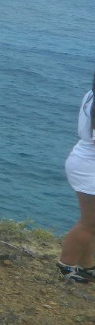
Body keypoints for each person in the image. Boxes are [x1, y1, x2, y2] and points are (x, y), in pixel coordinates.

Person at [57, 71, 95, 283]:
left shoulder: (91, 93)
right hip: (89, 167)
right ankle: (66, 266)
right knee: (90, 222)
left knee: (91, 222)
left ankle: (86, 266)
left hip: (84, 160)